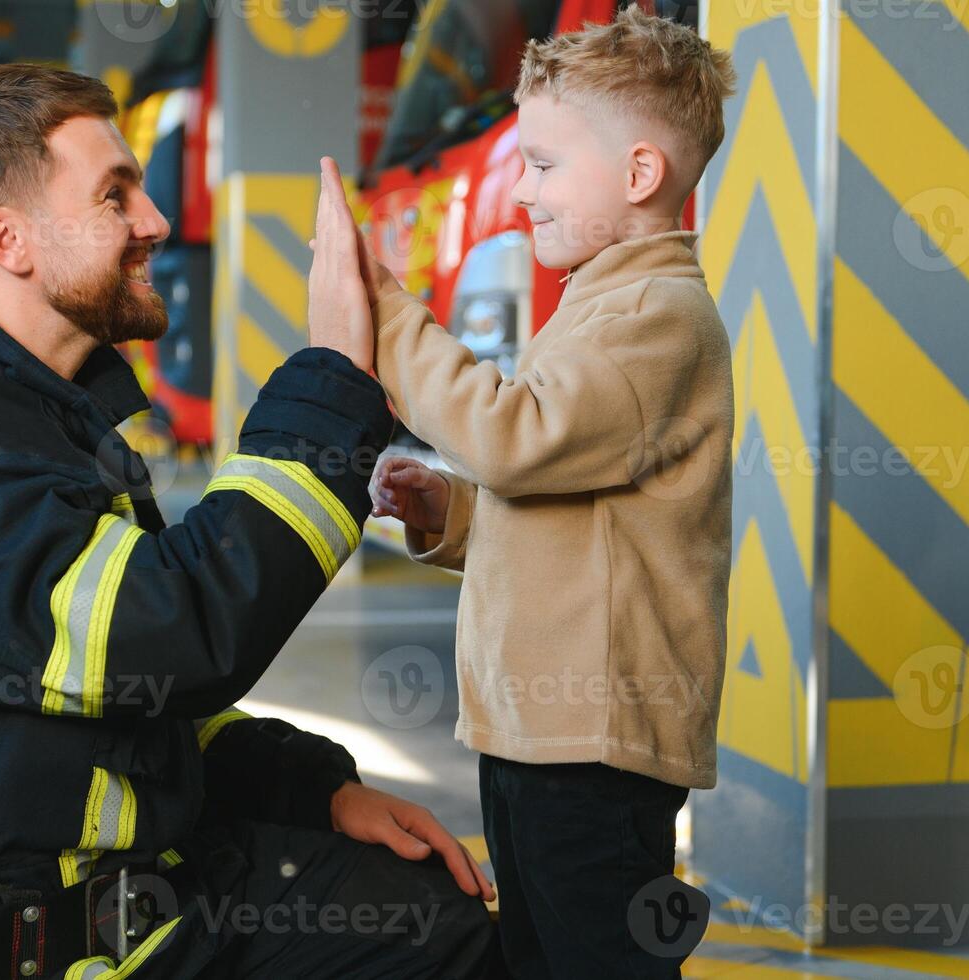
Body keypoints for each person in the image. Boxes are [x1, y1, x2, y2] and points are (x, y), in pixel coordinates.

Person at [0, 63, 494, 980]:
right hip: (3, 953)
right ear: (7, 239)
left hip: (121, 905)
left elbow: (137, 705)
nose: (156, 220)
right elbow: (176, 631)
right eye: (113, 194)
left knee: (438, 919)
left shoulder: (39, 419)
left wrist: (314, 790)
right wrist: (332, 374)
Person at [317, 7, 738, 977]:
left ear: (639, 176)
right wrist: (450, 513)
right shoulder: (601, 303)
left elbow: (515, 439)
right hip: (545, 731)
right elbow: (575, 507)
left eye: (544, 166)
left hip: (593, 747)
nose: (521, 191)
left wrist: (385, 311)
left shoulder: (656, 317)